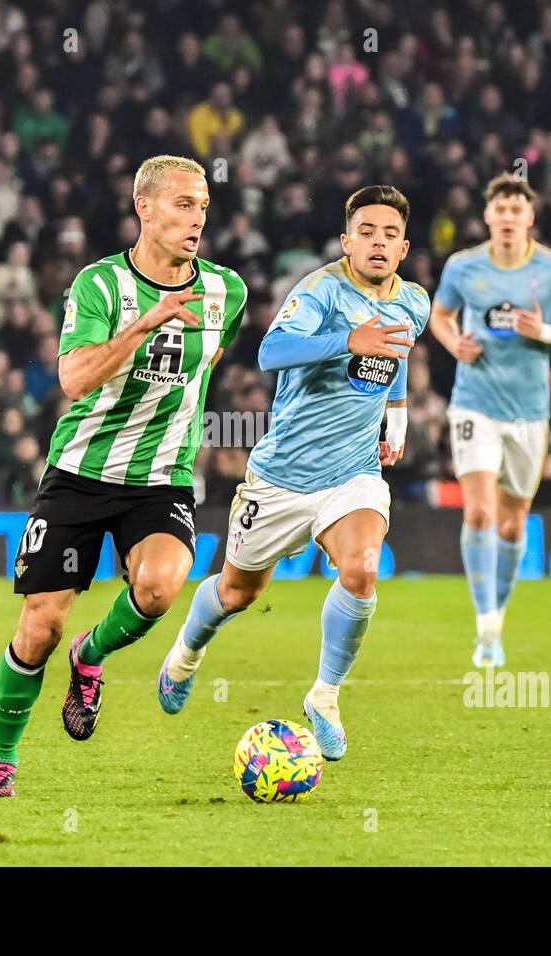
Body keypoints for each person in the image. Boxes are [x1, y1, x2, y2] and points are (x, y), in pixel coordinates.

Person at [0, 155, 247, 798]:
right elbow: (73, 379)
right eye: (183, 204)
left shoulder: (225, 292)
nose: (197, 218)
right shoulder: (99, 287)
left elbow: (203, 372)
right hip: (80, 472)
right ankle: (0, 759)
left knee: (158, 588)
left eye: (203, 206)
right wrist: (145, 323)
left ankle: (90, 656)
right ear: (144, 208)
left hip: (162, 476)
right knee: (40, 627)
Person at [156, 185, 428, 763]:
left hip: (351, 474)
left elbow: (397, 353)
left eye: (390, 235)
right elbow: (270, 353)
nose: (378, 243)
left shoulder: (415, 303)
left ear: (403, 248)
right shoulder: (321, 291)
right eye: (367, 232)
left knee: (363, 568)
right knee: (236, 592)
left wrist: (397, 415)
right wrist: (346, 341)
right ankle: (184, 655)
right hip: (281, 477)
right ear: (346, 241)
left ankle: (324, 697)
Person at [428, 173, 551, 667]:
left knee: (511, 523)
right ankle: (485, 628)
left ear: (529, 217)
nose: (507, 218)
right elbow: (440, 316)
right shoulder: (463, 267)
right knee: (478, 512)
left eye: (515, 210)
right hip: (474, 402)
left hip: (529, 412)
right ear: (487, 216)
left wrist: (543, 329)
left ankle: (495, 619)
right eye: (499, 209)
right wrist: (453, 341)